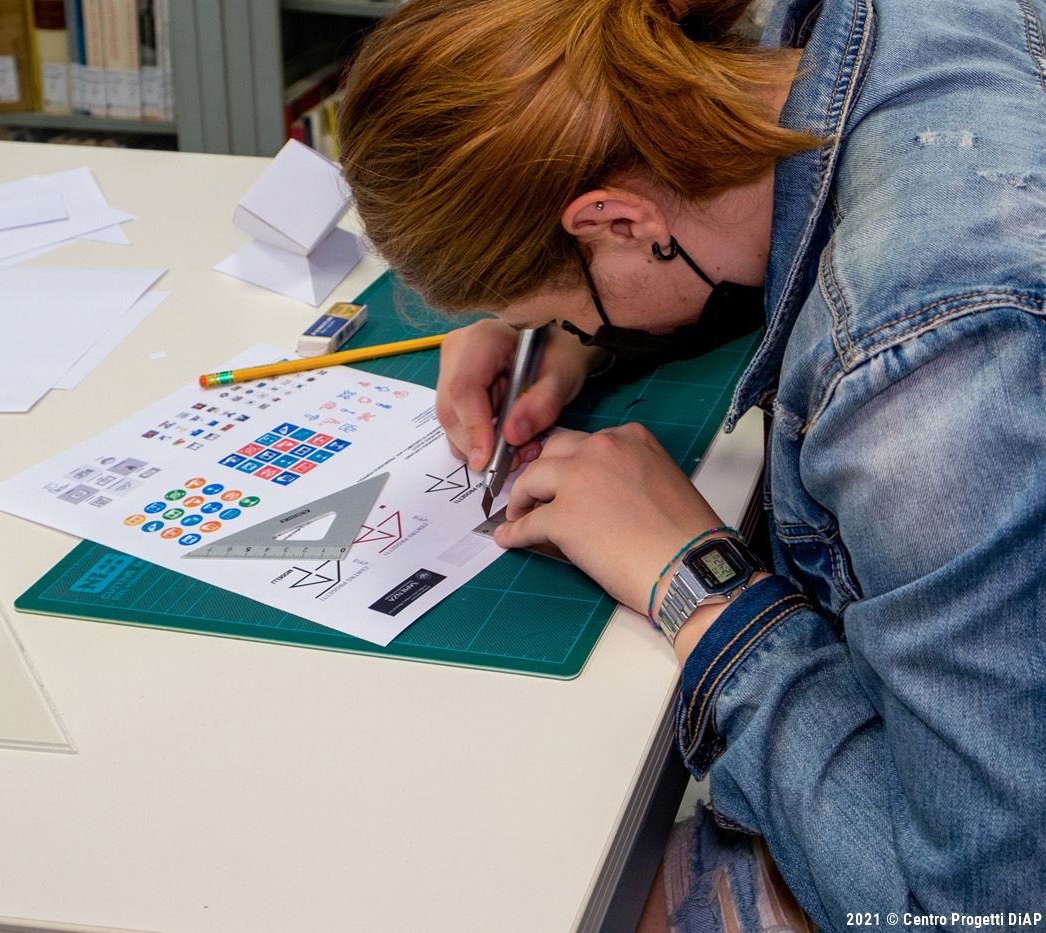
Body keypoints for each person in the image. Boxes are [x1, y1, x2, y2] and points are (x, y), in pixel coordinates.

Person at [337, 0, 1046, 926]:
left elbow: (976, 908)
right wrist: (579, 334)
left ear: (614, 221)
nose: (568, 327)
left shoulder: (922, 382)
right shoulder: (833, 39)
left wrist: (699, 585)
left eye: (562, 308)